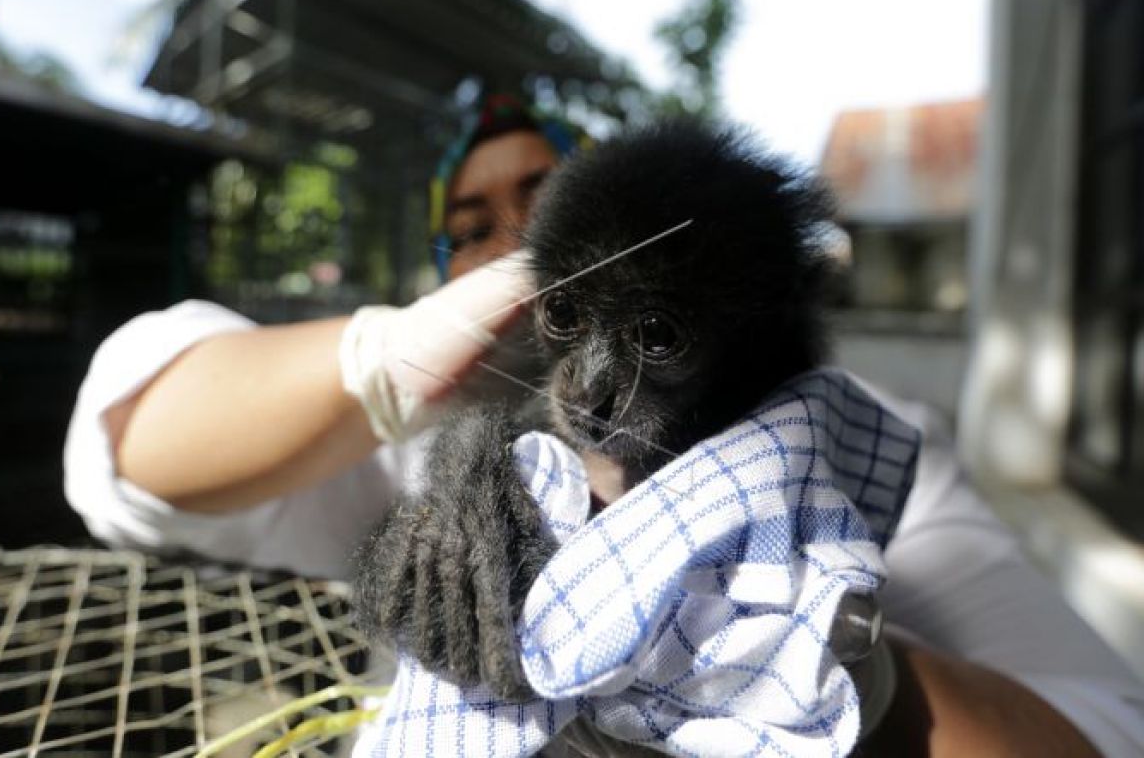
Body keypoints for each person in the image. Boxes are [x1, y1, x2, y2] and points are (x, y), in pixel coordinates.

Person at [65, 96, 1144, 756]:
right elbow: (119, 455)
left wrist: (835, 662)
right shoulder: (420, 442)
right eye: (474, 230)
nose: (589, 381)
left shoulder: (860, 458)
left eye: (537, 199)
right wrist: (378, 370)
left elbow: (1108, 729)